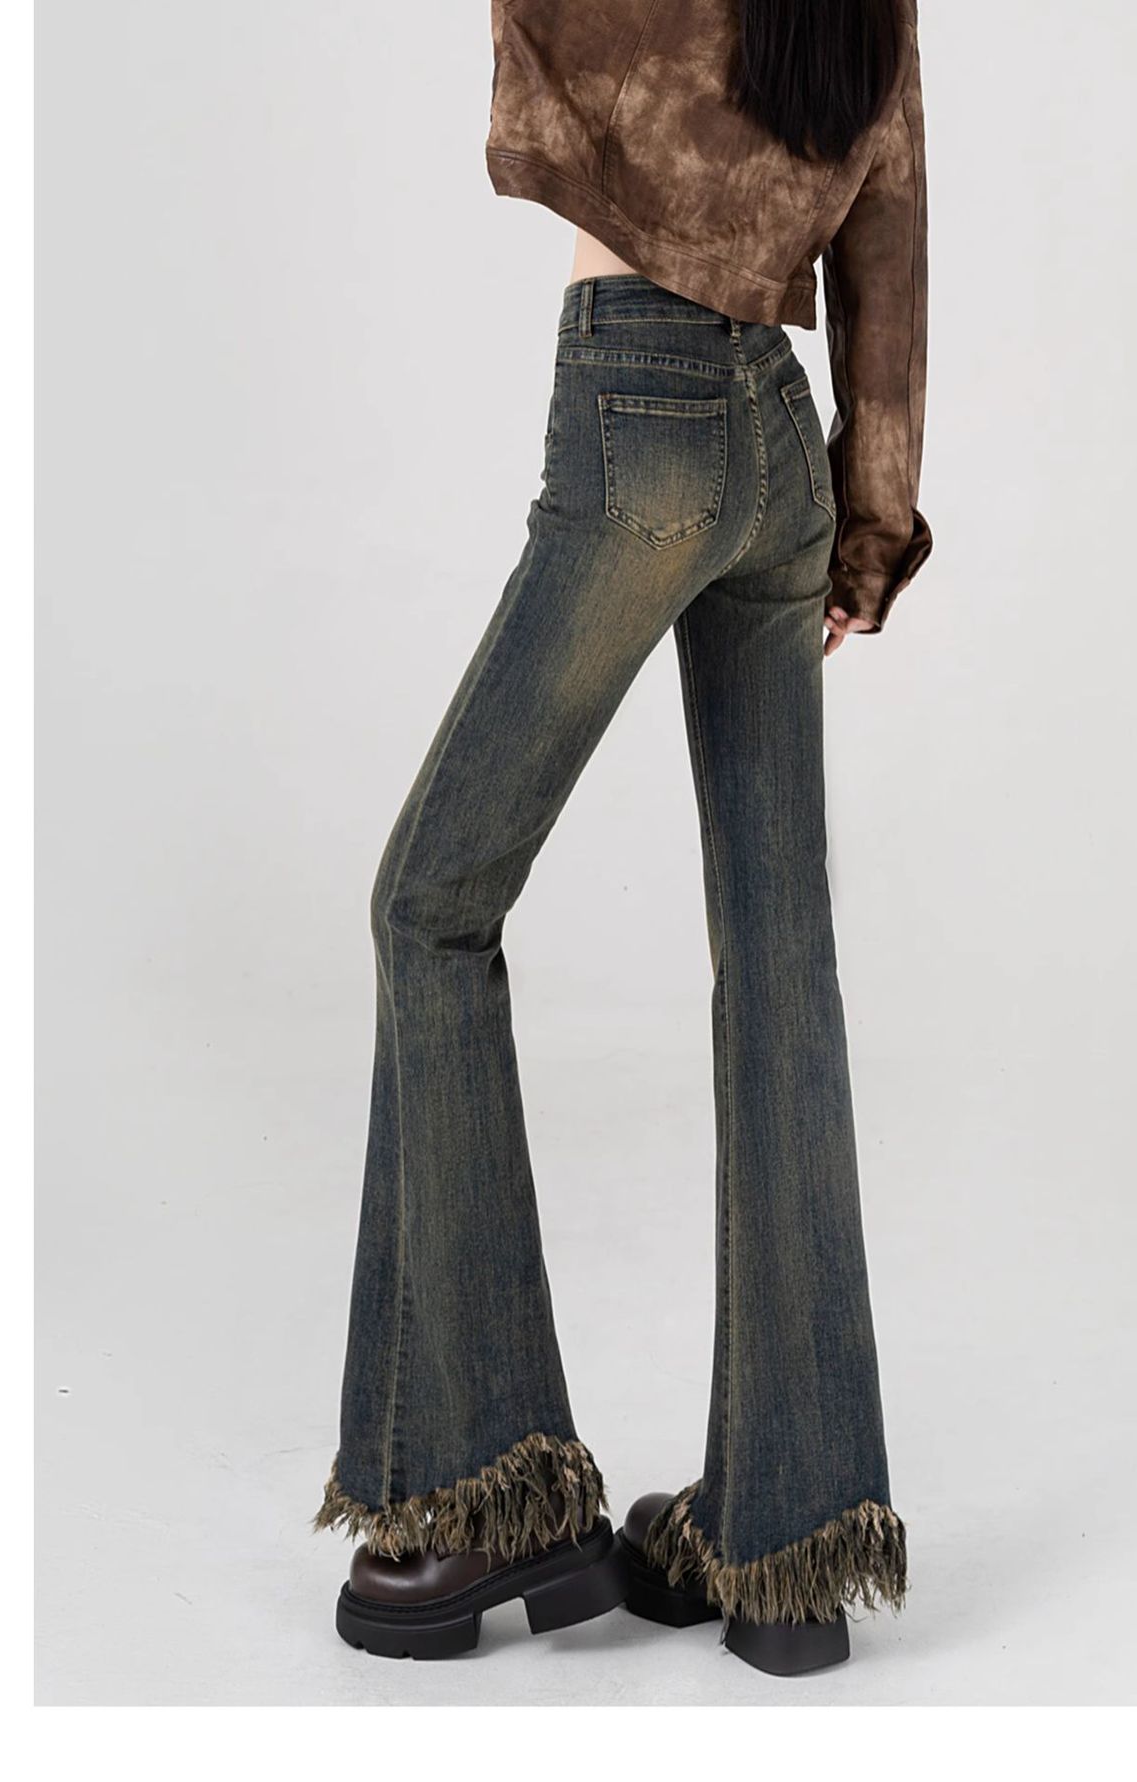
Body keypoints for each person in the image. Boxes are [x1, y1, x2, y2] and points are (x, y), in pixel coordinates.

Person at [314, 0, 931, 1678]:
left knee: (430, 907)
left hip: (640, 403)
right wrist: (868, 522)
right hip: (779, 441)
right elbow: (888, 219)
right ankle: (791, 1549)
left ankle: (479, 1491)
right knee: (780, 961)